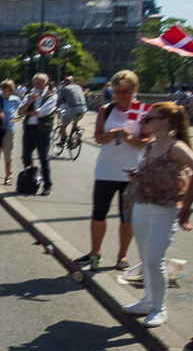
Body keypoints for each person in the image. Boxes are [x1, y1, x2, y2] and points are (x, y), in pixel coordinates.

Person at [122, 103, 193, 327]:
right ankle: (147, 301)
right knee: (146, 259)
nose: (144, 121)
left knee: (154, 260)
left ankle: (159, 310)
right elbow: (147, 171)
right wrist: (137, 176)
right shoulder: (151, 145)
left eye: (149, 118)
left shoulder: (176, 148)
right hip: (142, 204)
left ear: (164, 122)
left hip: (165, 210)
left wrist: (186, 207)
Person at [74, 70, 148, 271]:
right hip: (106, 171)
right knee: (99, 213)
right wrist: (111, 135)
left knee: (127, 217)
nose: (120, 95)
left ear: (134, 89)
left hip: (131, 173)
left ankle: (122, 256)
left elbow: (147, 141)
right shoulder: (106, 110)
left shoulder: (142, 110)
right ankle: (94, 252)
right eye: (117, 91)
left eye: (125, 91)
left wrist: (129, 139)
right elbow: (97, 137)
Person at [19, 73, 58, 195]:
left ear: (45, 83)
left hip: (42, 130)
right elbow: (20, 111)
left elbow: (42, 112)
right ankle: (31, 181)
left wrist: (28, 112)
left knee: (43, 159)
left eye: (38, 83)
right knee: (26, 157)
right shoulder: (30, 95)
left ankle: (47, 185)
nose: (35, 85)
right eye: (34, 83)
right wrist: (30, 101)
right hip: (29, 129)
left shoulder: (51, 96)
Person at [56, 76, 87, 146]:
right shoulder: (78, 87)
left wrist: (56, 108)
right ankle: (78, 130)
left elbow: (61, 102)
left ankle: (62, 141)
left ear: (65, 82)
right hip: (83, 108)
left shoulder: (64, 89)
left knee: (62, 126)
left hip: (73, 108)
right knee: (76, 121)